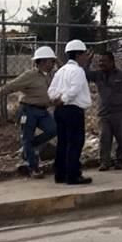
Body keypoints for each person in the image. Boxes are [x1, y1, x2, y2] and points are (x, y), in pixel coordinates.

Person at [0, 46, 58, 179]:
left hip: (42, 110)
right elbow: (11, 86)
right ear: (42, 61)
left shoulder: (47, 76)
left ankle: (30, 146)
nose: (53, 64)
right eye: (51, 61)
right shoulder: (29, 75)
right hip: (28, 110)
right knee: (27, 137)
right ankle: (33, 167)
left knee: (53, 129)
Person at [48, 39, 93, 185]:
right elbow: (74, 89)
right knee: (75, 143)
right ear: (79, 55)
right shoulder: (78, 71)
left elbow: (51, 90)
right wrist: (64, 99)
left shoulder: (60, 71)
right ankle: (73, 175)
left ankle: (60, 173)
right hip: (73, 110)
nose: (86, 57)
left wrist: (56, 100)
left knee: (63, 142)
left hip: (60, 111)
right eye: (85, 54)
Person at [87, 52, 122, 171]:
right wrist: (88, 61)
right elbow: (85, 74)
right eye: (100, 61)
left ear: (112, 62)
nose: (101, 64)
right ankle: (105, 162)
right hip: (104, 113)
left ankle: (120, 160)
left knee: (121, 139)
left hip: (120, 113)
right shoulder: (98, 75)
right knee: (104, 139)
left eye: (104, 61)